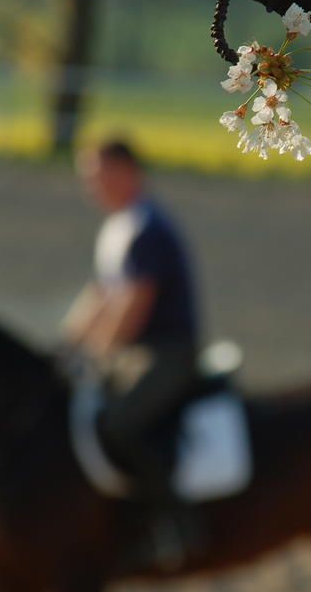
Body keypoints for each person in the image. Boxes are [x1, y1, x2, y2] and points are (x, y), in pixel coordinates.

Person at [62, 138, 203, 567]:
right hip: (137, 352)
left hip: (166, 354)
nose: (89, 184)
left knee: (121, 422)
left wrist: (95, 356)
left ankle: (175, 525)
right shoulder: (120, 226)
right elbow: (100, 296)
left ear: (126, 171)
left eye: (97, 173)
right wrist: (64, 347)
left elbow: (131, 307)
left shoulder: (146, 227)